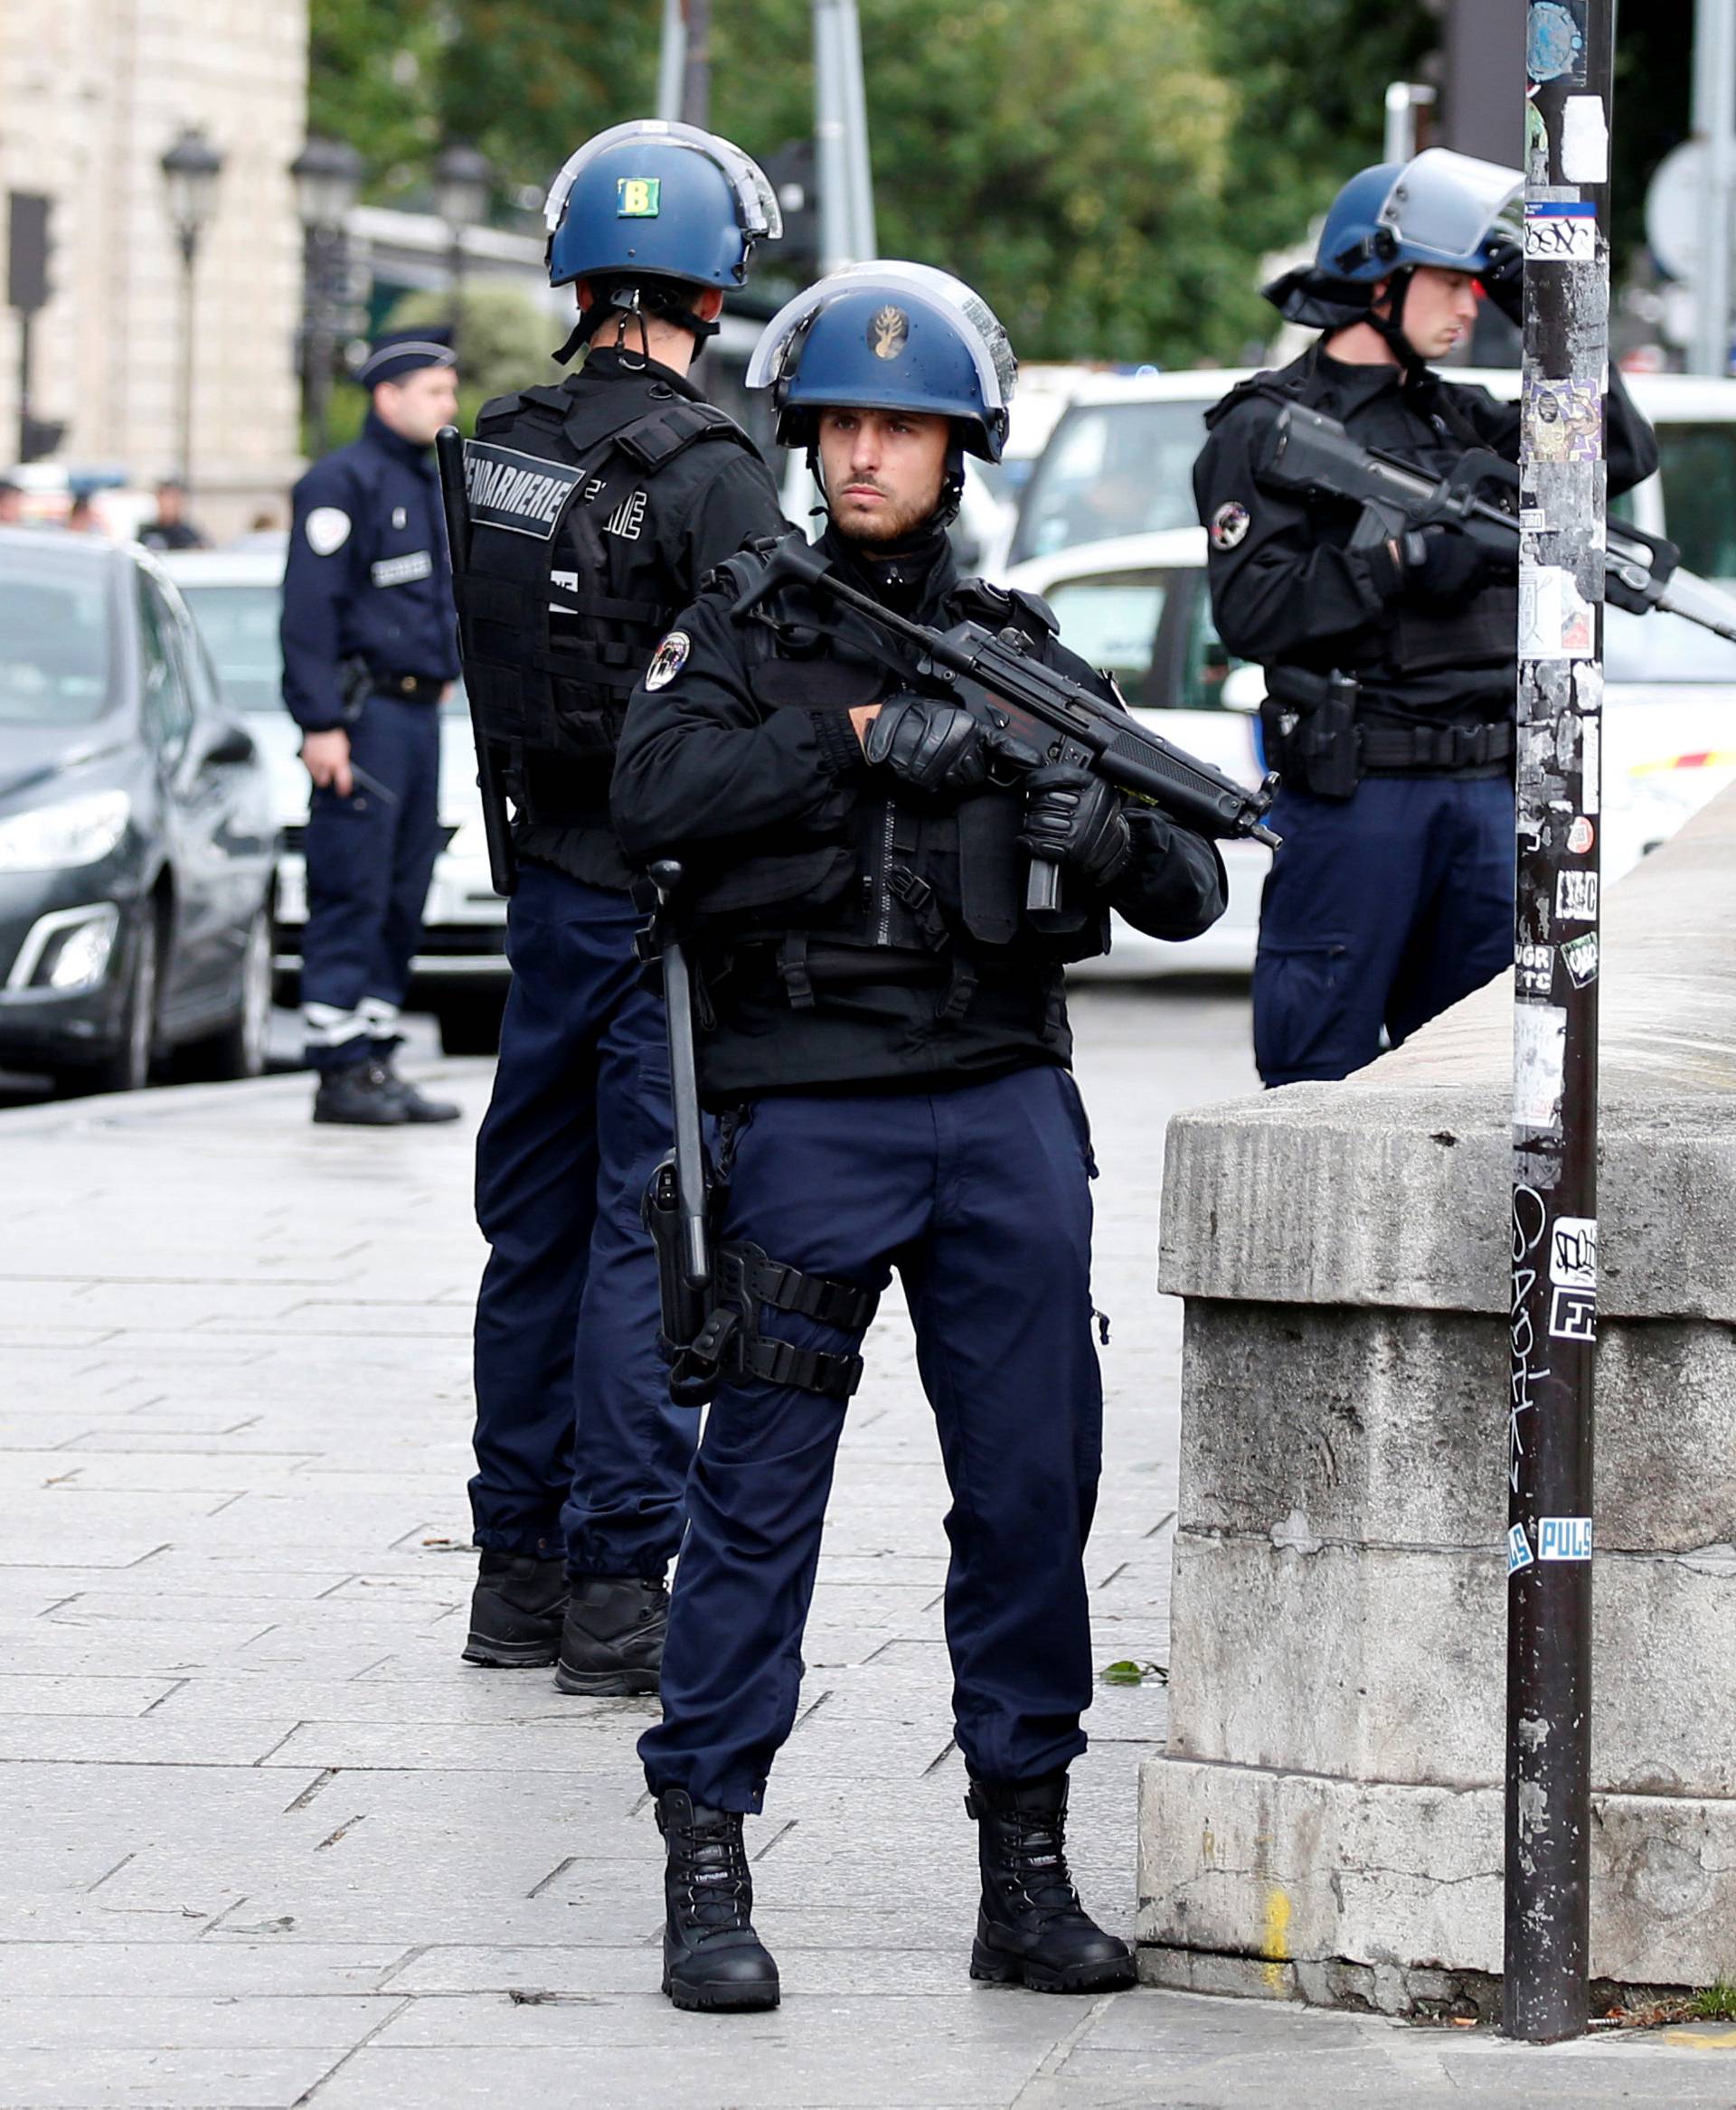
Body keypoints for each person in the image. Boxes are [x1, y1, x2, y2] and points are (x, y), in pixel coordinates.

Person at [611, 263, 1228, 2013]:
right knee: (758, 1495)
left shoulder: (1025, 648)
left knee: (1034, 1491)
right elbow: (653, 794)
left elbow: (1186, 885)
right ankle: (710, 1860)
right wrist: (871, 740)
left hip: (1004, 1110)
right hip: (811, 1111)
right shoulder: (742, 625)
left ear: (964, 452)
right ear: (808, 440)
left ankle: (1024, 1875)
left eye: (907, 427)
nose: (870, 453)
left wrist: (1079, 820)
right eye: (846, 424)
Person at [458, 122, 786, 1691]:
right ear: (711, 293)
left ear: (576, 274)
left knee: (529, 1224)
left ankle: (510, 1578)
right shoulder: (716, 469)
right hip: (666, 908)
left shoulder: (502, 438)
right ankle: (612, 1588)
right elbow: (771, 683)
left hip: (544, 892)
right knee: (642, 1237)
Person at [1195, 148, 1657, 1087]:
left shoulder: (1464, 420)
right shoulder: (1267, 429)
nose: (1468, 306)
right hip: (1359, 794)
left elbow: (1617, 456)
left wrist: (1555, 315)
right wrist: (1403, 560)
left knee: (1483, 1080)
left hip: (1490, 791)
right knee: (1316, 1082)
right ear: (1377, 281)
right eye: (1451, 281)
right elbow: (1252, 612)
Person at [279, 327, 464, 1126]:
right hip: (364, 718)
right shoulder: (340, 482)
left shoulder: (425, 480)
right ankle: (337, 1066)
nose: (450, 405)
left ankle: (376, 1053)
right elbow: (309, 614)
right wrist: (320, 723)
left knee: (402, 890)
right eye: (435, 391)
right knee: (352, 886)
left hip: (419, 715)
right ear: (388, 397)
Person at [138, 479, 207, 551]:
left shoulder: (189, 535)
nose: (168, 504)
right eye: (164, 497)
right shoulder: (146, 531)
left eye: (173, 498)